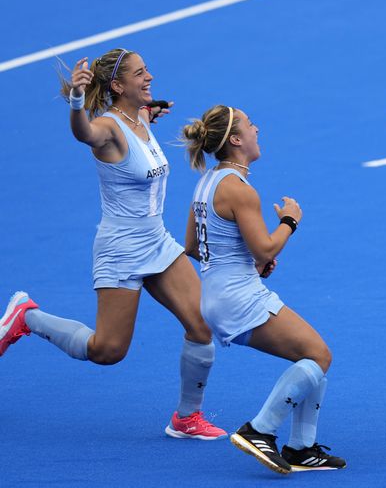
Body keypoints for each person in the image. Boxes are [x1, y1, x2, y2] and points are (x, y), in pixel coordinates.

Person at [0, 49, 225, 439]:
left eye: (148, 70)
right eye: (140, 74)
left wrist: (149, 110)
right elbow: (82, 133)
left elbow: (142, 123)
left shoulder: (139, 116)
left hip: (156, 241)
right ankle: (26, 316)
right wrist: (75, 100)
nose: (149, 77)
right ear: (117, 85)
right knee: (107, 351)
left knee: (201, 325)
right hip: (120, 249)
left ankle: (186, 418)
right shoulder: (106, 127)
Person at [181, 105, 346, 474]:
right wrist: (289, 220)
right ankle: (260, 431)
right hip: (239, 299)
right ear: (236, 140)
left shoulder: (205, 182)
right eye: (250, 125)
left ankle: (302, 449)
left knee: (311, 355)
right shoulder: (240, 190)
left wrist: (250, 263)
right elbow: (266, 248)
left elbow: (194, 246)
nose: (257, 129)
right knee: (318, 357)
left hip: (217, 296)